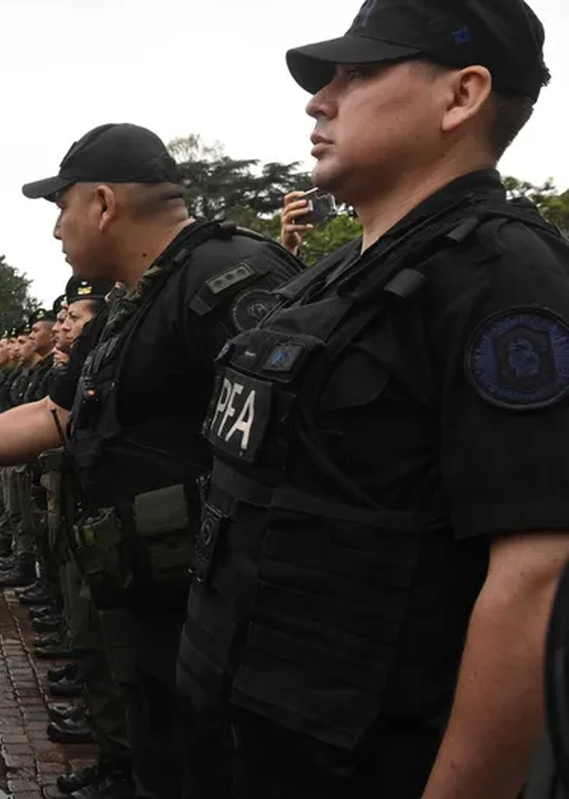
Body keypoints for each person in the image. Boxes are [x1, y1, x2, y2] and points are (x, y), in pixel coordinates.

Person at [181, 2, 568, 797]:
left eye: (357, 74)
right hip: (254, 739)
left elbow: (539, 573)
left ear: (460, 96)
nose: (319, 99)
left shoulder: (509, 278)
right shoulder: (338, 275)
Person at [0, 122, 302, 798]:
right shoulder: (128, 305)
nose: (56, 231)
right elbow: (57, 414)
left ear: (104, 203)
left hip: (221, 617)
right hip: (153, 598)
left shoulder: (228, 281)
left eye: (61, 208)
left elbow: (293, 464)